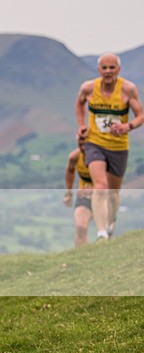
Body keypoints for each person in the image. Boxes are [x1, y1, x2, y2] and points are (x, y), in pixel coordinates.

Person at [75, 53, 143, 240]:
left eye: (111, 68)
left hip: (118, 146)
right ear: (99, 70)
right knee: (100, 185)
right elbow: (79, 104)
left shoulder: (128, 89)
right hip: (95, 143)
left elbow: (140, 116)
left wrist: (127, 126)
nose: (108, 71)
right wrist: (81, 125)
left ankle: (111, 222)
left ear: (118, 70)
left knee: (113, 193)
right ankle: (101, 231)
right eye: (104, 68)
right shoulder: (88, 88)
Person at [63, 140, 93, 248]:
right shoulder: (75, 157)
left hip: (104, 196)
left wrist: (95, 189)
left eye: (86, 145)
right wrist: (69, 192)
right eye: (80, 145)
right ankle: (82, 257)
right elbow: (70, 170)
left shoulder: (104, 156)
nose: (83, 148)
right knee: (80, 227)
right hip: (84, 194)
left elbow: (114, 181)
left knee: (105, 232)